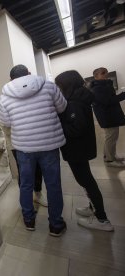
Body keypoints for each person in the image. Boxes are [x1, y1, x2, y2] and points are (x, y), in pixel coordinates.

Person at [0, 64, 67, 237]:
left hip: (24, 147)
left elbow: (6, 122)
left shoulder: (5, 96)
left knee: (26, 184)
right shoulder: (48, 86)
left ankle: (29, 220)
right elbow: (62, 107)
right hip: (49, 144)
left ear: (11, 79)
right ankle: (56, 225)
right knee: (53, 184)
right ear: (29, 74)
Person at [55, 70, 114, 232]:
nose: (58, 89)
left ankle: (102, 219)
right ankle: (93, 208)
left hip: (77, 149)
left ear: (68, 85)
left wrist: (57, 124)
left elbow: (75, 129)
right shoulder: (80, 97)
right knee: (87, 180)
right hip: (81, 148)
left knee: (86, 181)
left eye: (59, 85)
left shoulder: (74, 102)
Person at [90, 67, 125, 167]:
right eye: (103, 73)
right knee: (111, 137)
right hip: (107, 116)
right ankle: (110, 160)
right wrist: (123, 95)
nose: (106, 74)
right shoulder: (97, 88)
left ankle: (111, 156)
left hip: (111, 115)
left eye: (106, 72)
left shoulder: (105, 85)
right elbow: (107, 101)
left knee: (111, 137)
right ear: (96, 76)